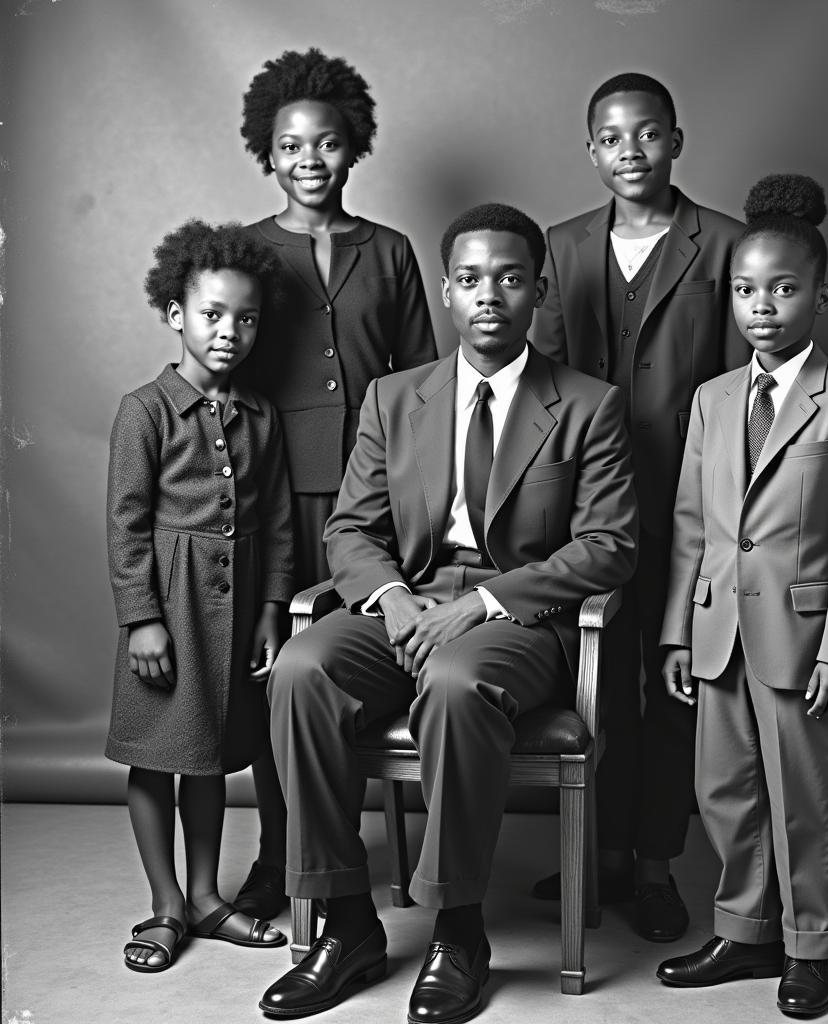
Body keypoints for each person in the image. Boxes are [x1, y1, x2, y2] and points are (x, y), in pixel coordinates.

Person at [258, 203, 638, 1022]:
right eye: (470, 280)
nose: (488, 295)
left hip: (518, 620)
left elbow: (609, 545)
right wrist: (394, 598)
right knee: (299, 669)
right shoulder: (395, 399)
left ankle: (458, 929)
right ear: (445, 293)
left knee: (460, 684)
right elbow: (352, 531)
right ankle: (346, 920)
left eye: (508, 278)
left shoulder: (587, 404)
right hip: (406, 601)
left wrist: (483, 604)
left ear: (539, 290)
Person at [655, 175, 828, 1017]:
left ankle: (809, 948)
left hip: (805, 639)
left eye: (784, 289)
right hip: (720, 628)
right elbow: (694, 525)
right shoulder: (713, 399)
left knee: (805, 798)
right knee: (725, 788)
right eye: (746, 290)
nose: (763, 306)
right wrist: (678, 634)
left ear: (820, 295)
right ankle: (745, 930)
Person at [530, 71, 747, 942]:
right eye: (612, 138)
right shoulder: (559, 244)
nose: (631, 151)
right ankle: (600, 856)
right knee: (596, 689)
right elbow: (539, 379)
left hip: (682, 507)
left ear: (676, 141)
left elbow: (737, 387)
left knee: (673, 692)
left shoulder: (724, 243)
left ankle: (655, 865)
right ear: (591, 151)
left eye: (648, 134)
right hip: (585, 512)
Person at [231, 47, 438, 920]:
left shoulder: (388, 251)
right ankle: (282, 855)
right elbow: (228, 367)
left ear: (352, 148)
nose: (309, 159)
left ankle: (389, 856)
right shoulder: (244, 251)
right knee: (277, 670)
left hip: (377, 496)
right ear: (266, 154)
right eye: (290, 145)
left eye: (325, 143)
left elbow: (428, 377)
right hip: (273, 490)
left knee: (360, 657)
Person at [106, 220, 294, 973]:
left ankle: (208, 898)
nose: (230, 332)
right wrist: (141, 620)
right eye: (213, 315)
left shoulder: (261, 415)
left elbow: (277, 521)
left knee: (209, 758)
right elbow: (125, 523)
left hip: (237, 610)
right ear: (177, 315)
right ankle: (164, 907)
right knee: (156, 758)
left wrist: (273, 611)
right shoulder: (144, 410)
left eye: (246, 318)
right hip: (168, 610)